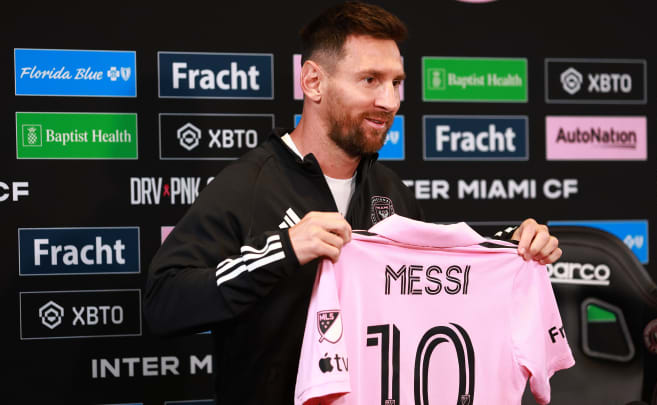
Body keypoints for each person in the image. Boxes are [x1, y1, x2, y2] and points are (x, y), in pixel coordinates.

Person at [143, 2, 561, 404]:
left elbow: (435, 281)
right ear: (312, 82)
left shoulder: (390, 190)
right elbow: (162, 303)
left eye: (396, 82)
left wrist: (512, 247)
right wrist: (283, 250)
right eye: (370, 80)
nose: (390, 101)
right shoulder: (247, 186)